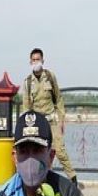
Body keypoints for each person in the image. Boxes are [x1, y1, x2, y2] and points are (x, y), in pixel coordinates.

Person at [22, 48, 78, 186]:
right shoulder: (28, 82)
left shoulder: (50, 76)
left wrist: (62, 119)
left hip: (52, 120)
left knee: (59, 150)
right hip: (37, 122)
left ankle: (73, 180)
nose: (36, 62)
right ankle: (45, 182)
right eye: (34, 60)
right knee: (41, 153)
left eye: (38, 59)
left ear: (43, 60)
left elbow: (58, 99)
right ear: (30, 62)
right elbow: (26, 107)